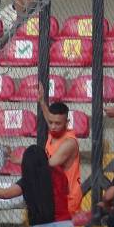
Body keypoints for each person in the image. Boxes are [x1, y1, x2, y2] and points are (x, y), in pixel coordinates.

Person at [0, 145, 78, 227]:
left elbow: (5, 194)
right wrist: (18, 161)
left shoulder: (28, 181)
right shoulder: (59, 173)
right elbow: (41, 165)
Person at [38, 84, 83, 215]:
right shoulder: (55, 130)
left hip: (68, 199)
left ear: (67, 122)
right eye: (51, 122)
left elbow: (48, 165)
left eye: (58, 123)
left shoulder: (69, 143)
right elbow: (50, 118)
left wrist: (21, 160)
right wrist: (42, 101)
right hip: (55, 196)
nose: (52, 126)